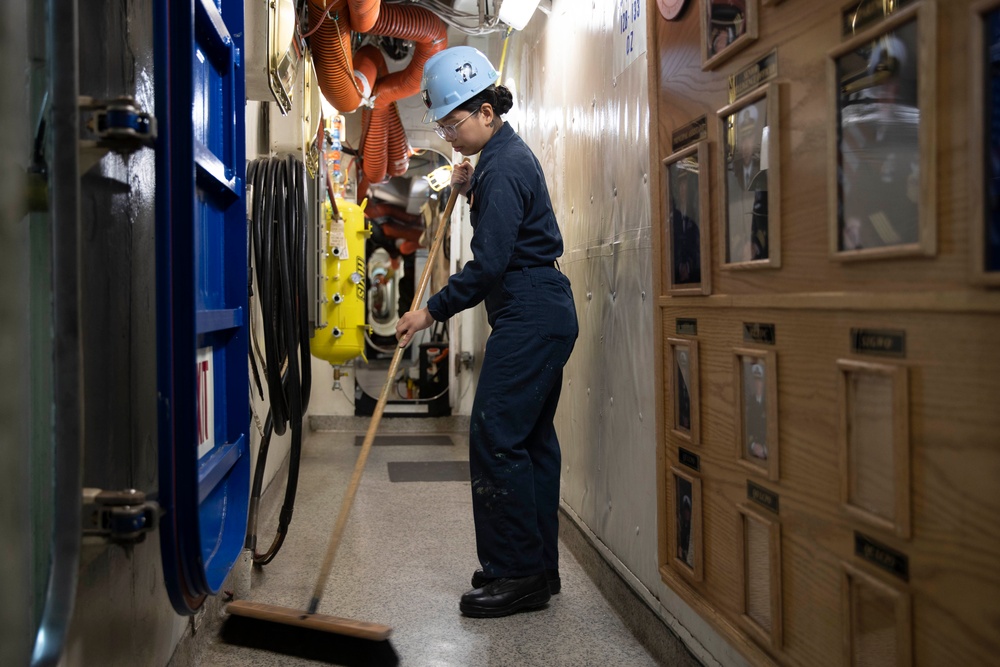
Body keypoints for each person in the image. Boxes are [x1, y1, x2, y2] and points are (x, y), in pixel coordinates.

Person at [396, 46, 579, 618]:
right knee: (530, 442)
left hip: (528, 308)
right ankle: (534, 567)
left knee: (496, 433)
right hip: (543, 308)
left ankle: (514, 573)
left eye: (454, 122)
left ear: (486, 113)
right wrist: (466, 184)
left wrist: (432, 310)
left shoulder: (501, 167)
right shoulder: (499, 161)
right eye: (444, 124)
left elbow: (490, 264)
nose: (450, 134)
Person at [726, 103, 768, 262]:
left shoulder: (763, 175)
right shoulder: (732, 176)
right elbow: (732, 221)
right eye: (742, 139)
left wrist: (755, 245)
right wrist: (739, 246)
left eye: (749, 138)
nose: (745, 146)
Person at [671, 165, 701, 285]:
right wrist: (679, 268)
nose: (683, 189)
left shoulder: (694, 212)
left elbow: (697, 246)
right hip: (676, 278)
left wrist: (688, 266)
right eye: (680, 185)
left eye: (685, 184)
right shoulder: (674, 216)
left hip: (694, 276)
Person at [745, 361, 767, 461]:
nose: (757, 384)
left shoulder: (769, 402)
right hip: (754, 451)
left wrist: (765, 449)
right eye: (756, 380)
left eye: (760, 380)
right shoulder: (751, 403)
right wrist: (753, 446)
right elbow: (747, 429)